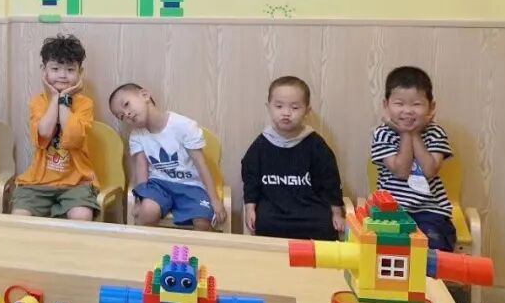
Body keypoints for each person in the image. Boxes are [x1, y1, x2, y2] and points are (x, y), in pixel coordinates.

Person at [109, 83, 224, 229]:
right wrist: (140, 199)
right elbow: (141, 169)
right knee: (147, 212)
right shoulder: (136, 136)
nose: (127, 114)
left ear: (145, 95)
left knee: (202, 222)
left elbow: (201, 165)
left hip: (190, 185)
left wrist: (215, 200)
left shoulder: (185, 126)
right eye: (121, 116)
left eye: (126, 104)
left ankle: (186, 245)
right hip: (159, 185)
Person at [242, 76, 344, 240]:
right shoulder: (261, 145)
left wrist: (337, 212)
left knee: (324, 224)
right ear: (269, 107)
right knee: (265, 221)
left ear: (307, 111)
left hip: (309, 208)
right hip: (273, 208)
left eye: (295, 107)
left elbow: (330, 181)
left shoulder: (316, 145)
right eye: (279, 106)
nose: (286, 113)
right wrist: (249, 208)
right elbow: (250, 179)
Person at [12, 35, 99, 220]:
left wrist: (64, 98)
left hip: (77, 182)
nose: (62, 75)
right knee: (20, 216)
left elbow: (73, 138)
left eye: (70, 69)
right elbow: (44, 133)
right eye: (55, 69)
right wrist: (54, 98)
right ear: (44, 71)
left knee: (82, 216)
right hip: (39, 180)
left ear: (80, 72)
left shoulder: (85, 104)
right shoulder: (38, 102)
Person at [370, 66, 455, 251]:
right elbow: (401, 171)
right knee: (386, 251)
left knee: (431, 249)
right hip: (391, 211)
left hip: (430, 210)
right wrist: (404, 134)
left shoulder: (436, 133)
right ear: (386, 105)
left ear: (431, 107)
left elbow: (430, 170)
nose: (408, 111)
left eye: (416, 104)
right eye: (399, 104)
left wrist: (414, 133)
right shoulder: (382, 134)